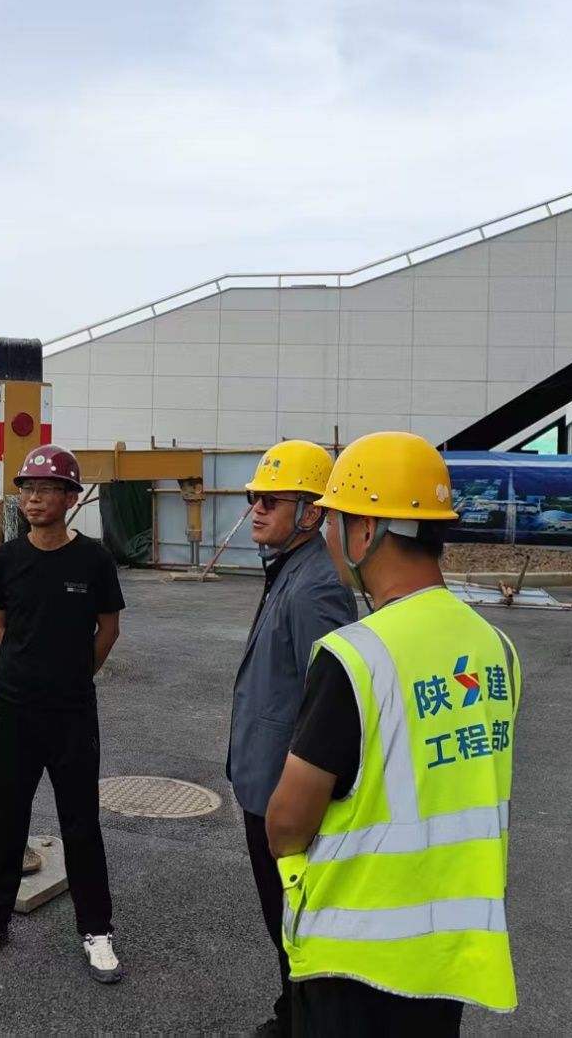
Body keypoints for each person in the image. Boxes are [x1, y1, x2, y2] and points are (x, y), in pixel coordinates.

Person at [266, 432, 522, 1037]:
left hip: (355, 956)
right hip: (446, 953)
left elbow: (287, 824)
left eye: (335, 520)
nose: (329, 536)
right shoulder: (496, 647)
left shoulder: (356, 657)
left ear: (367, 530)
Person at [0, 444, 125, 983]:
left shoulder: (93, 559)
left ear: (71, 499)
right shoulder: (6, 560)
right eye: (27, 488)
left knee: (80, 821)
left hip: (72, 712)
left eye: (47, 489)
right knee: (6, 816)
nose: (34, 498)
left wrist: (74, 674)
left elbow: (108, 628)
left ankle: (97, 930)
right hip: (16, 711)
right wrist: (30, 666)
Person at [227, 440, 357, 1037]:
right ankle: (296, 1013)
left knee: (298, 924)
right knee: (283, 921)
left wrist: (300, 798)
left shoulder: (316, 588)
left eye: (271, 501)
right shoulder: (289, 569)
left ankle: (302, 1022)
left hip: (287, 792)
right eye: (255, 497)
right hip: (265, 782)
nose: (256, 509)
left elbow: (330, 706)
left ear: (312, 512)